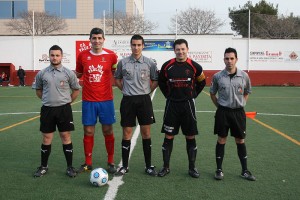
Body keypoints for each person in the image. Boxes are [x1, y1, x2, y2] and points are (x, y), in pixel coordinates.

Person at [158, 39, 206, 178]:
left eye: (183, 49)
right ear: (174, 50)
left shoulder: (195, 66)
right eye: (178, 49)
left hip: (188, 105)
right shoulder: (167, 66)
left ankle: (192, 168)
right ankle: (166, 167)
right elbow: (161, 81)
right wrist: (167, 94)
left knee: (190, 135)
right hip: (172, 105)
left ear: (187, 49)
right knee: (168, 136)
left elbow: (202, 82)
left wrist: (193, 95)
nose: (180, 51)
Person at [32, 45, 80, 178]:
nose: (55, 57)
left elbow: (76, 89)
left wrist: (68, 101)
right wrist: (47, 100)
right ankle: (43, 166)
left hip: (64, 109)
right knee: (47, 137)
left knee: (65, 136)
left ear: (61, 56)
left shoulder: (68, 73)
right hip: (47, 109)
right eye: (52, 55)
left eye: (57, 55)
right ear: (49, 56)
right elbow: (38, 90)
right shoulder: (42, 73)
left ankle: (69, 167)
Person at [114, 34, 159, 176]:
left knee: (146, 133)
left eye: (139, 45)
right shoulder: (123, 62)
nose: (136, 47)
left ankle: (148, 166)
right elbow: (117, 79)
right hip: (128, 101)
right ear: (130, 45)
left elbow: (155, 80)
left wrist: (146, 92)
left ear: (143, 46)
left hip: (144, 101)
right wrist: (126, 90)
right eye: (134, 44)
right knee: (126, 133)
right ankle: (125, 166)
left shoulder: (150, 63)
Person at [75, 27, 118, 174]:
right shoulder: (82, 56)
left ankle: (111, 161)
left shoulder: (112, 56)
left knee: (108, 130)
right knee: (88, 131)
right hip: (88, 100)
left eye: (100, 38)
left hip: (106, 100)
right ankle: (88, 163)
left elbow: (116, 73)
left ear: (103, 40)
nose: (97, 41)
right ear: (90, 40)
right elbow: (79, 72)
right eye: (94, 38)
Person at [210, 47, 256, 181]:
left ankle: (245, 170)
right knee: (221, 139)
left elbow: (247, 91)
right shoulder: (218, 76)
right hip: (223, 112)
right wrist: (219, 106)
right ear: (223, 59)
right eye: (226, 58)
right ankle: (219, 170)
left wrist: (242, 103)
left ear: (236, 59)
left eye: (232, 58)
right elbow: (212, 93)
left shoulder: (244, 75)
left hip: (238, 113)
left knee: (240, 140)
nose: (229, 61)